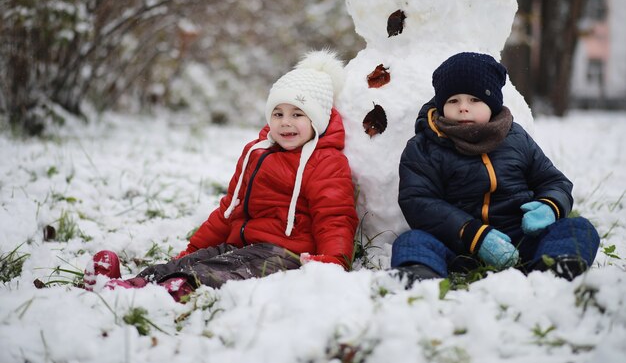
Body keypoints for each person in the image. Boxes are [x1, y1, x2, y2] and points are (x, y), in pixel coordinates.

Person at [84, 50, 359, 301]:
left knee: (221, 269)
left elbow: (335, 216)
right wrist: (191, 249)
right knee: (196, 260)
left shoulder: (326, 162)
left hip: (283, 253)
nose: (285, 121)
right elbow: (229, 210)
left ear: (318, 120)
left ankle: (177, 291)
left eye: (298, 114)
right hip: (240, 242)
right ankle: (134, 283)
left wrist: (334, 260)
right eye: (278, 113)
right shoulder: (256, 153)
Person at [391, 52, 600, 286]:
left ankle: (554, 267)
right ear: (441, 106)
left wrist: (550, 206)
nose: (463, 108)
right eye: (453, 101)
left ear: (492, 104)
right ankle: (420, 274)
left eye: (474, 100)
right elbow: (418, 200)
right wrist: (473, 235)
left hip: (520, 238)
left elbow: (553, 181)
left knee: (578, 227)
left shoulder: (516, 138)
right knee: (412, 241)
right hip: (459, 243)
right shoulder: (425, 147)